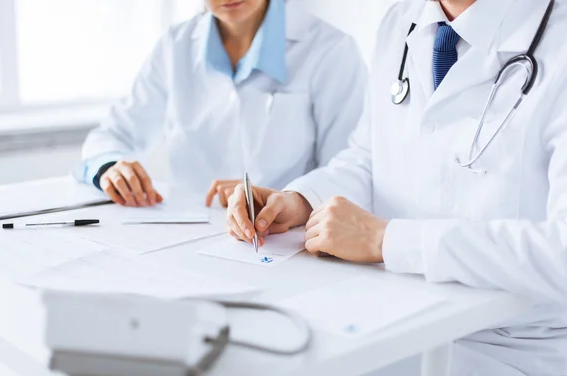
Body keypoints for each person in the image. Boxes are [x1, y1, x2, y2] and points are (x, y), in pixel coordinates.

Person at [227, 0, 567, 374]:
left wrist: (388, 240)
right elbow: (369, 157)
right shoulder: (402, 20)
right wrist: (301, 201)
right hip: (398, 318)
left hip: (514, 345)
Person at [75, 0, 366, 208]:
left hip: (283, 238)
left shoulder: (331, 50)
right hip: (185, 233)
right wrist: (111, 166)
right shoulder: (175, 46)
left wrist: (283, 197)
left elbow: (348, 172)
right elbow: (112, 136)